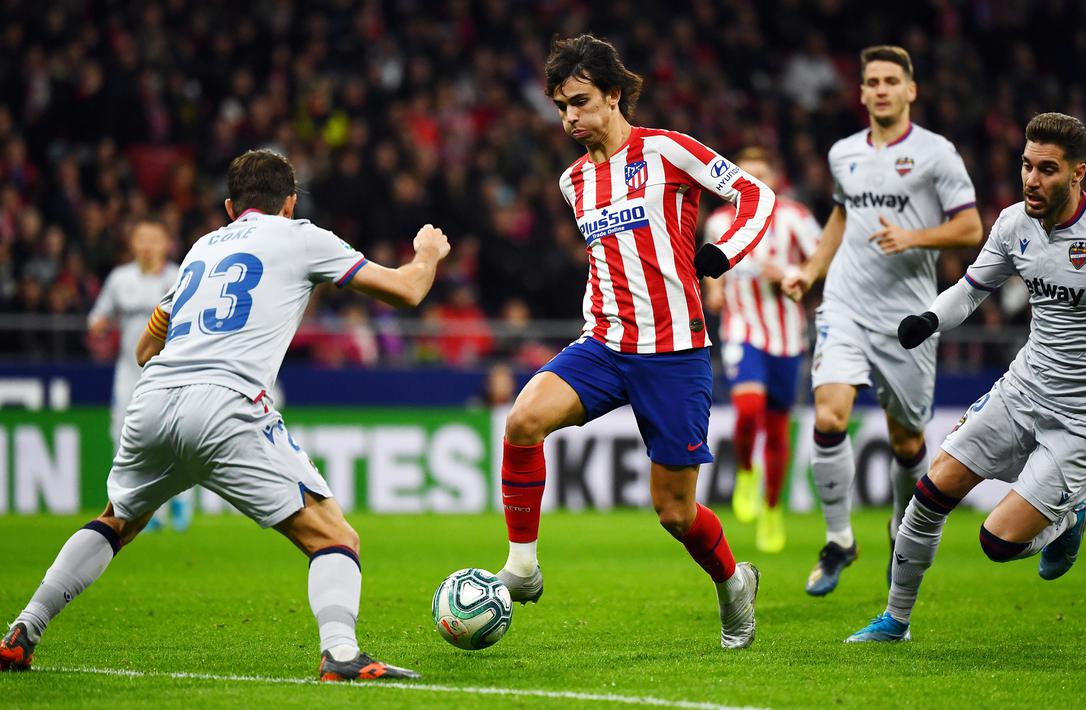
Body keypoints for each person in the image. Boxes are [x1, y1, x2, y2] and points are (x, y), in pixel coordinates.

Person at [0, 149, 451, 680]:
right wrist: (427, 254)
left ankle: (22, 631)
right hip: (226, 405)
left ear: (231, 205)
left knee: (115, 520)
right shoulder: (301, 234)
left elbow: (150, 339)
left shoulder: (201, 248)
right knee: (334, 537)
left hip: (153, 400)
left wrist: (169, 353)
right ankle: (342, 655)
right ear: (289, 203)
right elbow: (406, 290)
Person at [846, 112, 1086, 642]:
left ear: (1077, 173)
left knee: (996, 542)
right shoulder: (1012, 224)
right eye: (1026, 166)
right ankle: (895, 621)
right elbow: (972, 290)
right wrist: (929, 319)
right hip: (1023, 390)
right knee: (930, 493)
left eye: (1047, 169)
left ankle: (1070, 519)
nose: (1031, 180)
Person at [494, 34, 775, 649]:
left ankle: (733, 584)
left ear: (614, 95)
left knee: (674, 512)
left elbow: (758, 196)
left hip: (675, 353)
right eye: (561, 106)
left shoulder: (670, 151)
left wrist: (722, 254)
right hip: (603, 344)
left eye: (581, 101)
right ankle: (522, 567)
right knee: (522, 422)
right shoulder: (573, 182)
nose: (570, 117)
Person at [781, 45, 983, 597]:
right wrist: (811, 270)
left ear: (910, 90)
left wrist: (913, 237)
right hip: (844, 303)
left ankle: (901, 528)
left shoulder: (936, 154)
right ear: (863, 92)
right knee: (829, 415)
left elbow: (970, 228)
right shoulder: (843, 152)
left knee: (906, 440)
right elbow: (842, 216)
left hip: (908, 318)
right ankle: (840, 538)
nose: (881, 89)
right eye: (872, 81)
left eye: (892, 80)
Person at [702, 147, 822, 553]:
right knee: (748, 409)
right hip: (743, 329)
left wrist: (789, 274)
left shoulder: (795, 218)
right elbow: (711, 272)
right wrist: (714, 290)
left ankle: (772, 508)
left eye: (759, 174)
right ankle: (746, 472)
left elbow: (822, 260)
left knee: (776, 428)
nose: (752, 181)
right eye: (745, 175)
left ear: (774, 179)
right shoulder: (720, 221)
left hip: (788, 336)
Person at [88, 219, 189, 532]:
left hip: (172, 371)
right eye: (141, 238)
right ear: (132, 243)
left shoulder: (180, 276)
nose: (147, 245)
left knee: (177, 437)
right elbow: (97, 318)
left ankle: (181, 503)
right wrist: (99, 328)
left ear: (165, 244)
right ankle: (146, 510)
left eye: (153, 239)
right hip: (129, 373)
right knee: (122, 436)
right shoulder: (120, 279)